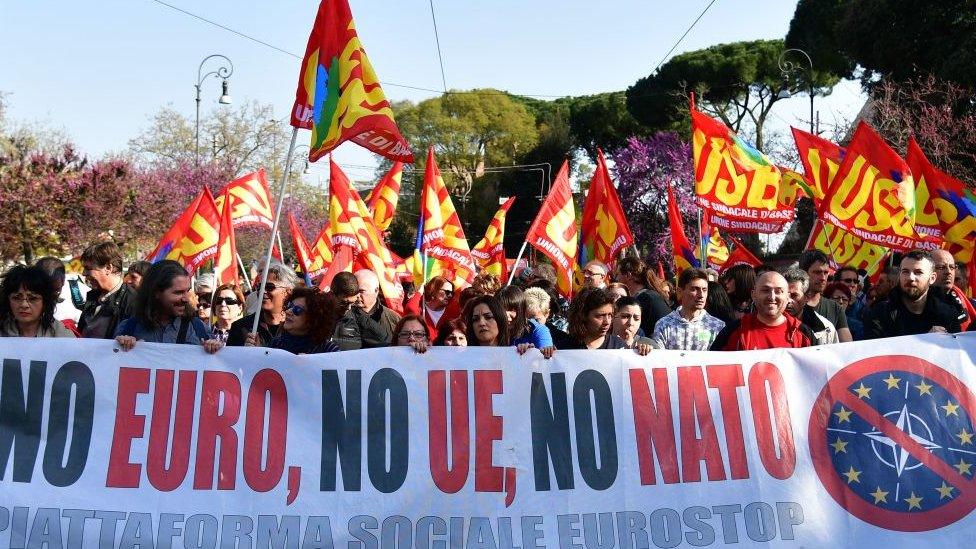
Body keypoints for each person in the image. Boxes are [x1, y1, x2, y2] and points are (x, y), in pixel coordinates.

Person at [114, 260, 221, 353]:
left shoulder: (199, 329)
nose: (186, 299)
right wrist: (120, 346)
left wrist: (213, 349)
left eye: (187, 291)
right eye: (178, 293)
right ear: (156, 292)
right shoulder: (129, 328)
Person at [864, 249, 966, 338]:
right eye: (905, 271)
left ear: (932, 278)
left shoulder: (947, 315)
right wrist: (925, 341)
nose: (910, 278)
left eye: (918, 272)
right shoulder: (881, 313)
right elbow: (876, 354)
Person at [710, 271, 815, 351]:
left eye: (779, 291)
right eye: (765, 290)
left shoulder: (803, 333)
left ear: (787, 297)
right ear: (753, 295)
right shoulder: (733, 331)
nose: (772, 297)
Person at [553, 287, 651, 354]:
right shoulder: (563, 348)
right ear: (583, 315)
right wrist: (547, 355)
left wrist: (641, 354)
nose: (607, 322)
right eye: (600, 316)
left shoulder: (619, 347)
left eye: (610, 315)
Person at [245, 287, 341, 354]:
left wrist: (313, 366)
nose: (289, 311)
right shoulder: (277, 344)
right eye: (290, 306)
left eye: (297, 310)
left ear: (314, 318)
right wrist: (258, 353)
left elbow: (339, 381)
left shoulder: (329, 350)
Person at [651, 268, 726, 351]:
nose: (701, 295)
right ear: (679, 292)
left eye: (704, 290)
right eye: (694, 289)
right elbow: (658, 360)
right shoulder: (664, 325)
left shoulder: (717, 326)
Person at [227, 261, 298, 347]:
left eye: (269, 287)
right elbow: (230, 359)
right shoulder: (241, 327)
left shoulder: (299, 327)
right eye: (259, 287)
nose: (262, 291)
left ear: (288, 292)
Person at [78, 241, 135, 339]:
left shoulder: (132, 301)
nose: (83, 273)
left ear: (108, 268)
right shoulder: (93, 296)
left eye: (88, 268)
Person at [1, 265, 75, 338]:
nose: (24, 305)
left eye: (33, 298)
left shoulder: (62, 336)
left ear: (45, 302)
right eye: (16, 298)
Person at [798, 250, 852, 342]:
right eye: (817, 272)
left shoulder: (835, 308)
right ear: (803, 273)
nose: (823, 278)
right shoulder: (792, 306)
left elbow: (847, 346)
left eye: (826, 273)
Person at [331, 271, 392, 350]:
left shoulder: (359, 318)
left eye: (352, 303)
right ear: (332, 295)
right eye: (344, 303)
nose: (348, 308)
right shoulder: (315, 314)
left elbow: (388, 343)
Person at [613, 257, 670, 337]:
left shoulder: (645, 299)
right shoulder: (649, 295)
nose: (616, 278)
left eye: (618, 274)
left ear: (628, 275)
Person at [782, 267, 839, 346]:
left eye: (794, 295)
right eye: (784, 294)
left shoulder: (826, 329)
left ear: (806, 297)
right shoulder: (765, 323)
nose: (788, 300)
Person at [497, 285, 553, 351]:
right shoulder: (490, 330)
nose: (506, 315)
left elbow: (546, 357)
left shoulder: (537, 330)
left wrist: (530, 353)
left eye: (512, 310)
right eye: (502, 309)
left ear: (522, 310)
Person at [932, 249, 976, 330]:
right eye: (941, 267)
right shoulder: (918, 304)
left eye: (952, 267)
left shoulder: (970, 304)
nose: (948, 271)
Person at [355, 269, 401, 336]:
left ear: (376, 291)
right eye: (354, 291)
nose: (357, 295)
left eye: (361, 291)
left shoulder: (393, 319)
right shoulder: (342, 316)